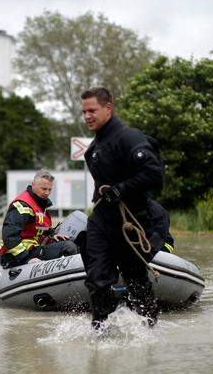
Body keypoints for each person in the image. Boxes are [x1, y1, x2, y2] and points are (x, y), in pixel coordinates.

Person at [80, 86, 163, 329]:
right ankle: (99, 334)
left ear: (108, 107)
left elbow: (154, 175)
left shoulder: (129, 138)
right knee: (97, 280)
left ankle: (150, 331)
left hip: (132, 221)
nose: (87, 116)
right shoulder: (91, 151)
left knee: (136, 281)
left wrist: (121, 189)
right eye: (84, 112)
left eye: (92, 110)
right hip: (102, 220)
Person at [0, 170, 78, 268]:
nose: (47, 193)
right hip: (17, 255)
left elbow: (36, 230)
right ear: (33, 185)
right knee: (69, 247)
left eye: (49, 189)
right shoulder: (23, 205)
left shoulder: (39, 205)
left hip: (33, 249)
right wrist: (26, 259)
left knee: (75, 240)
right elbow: (9, 237)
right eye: (44, 189)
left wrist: (51, 237)